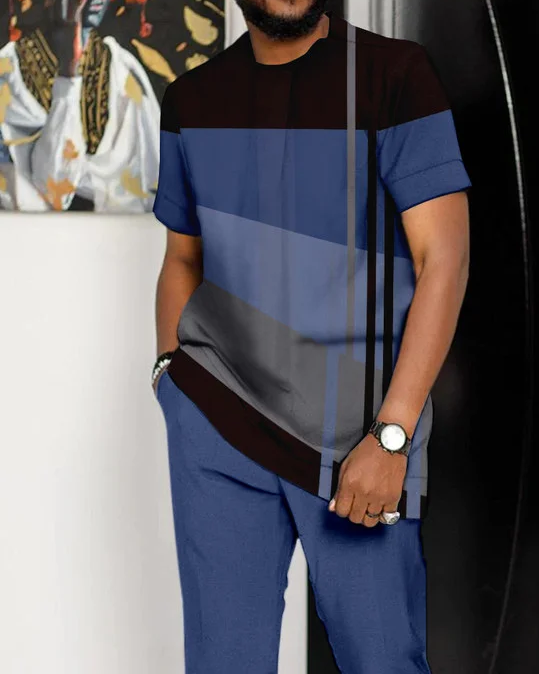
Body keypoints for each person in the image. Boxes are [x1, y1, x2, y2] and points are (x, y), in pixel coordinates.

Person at [152, 1, 471, 672]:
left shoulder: (395, 75)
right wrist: (171, 382)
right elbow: (182, 257)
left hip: (357, 441)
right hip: (219, 428)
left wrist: (392, 436)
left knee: (382, 661)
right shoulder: (191, 99)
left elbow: (443, 261)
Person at [0, 0, 159, 211]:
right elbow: (55, 191)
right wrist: (68, 75)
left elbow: (153, 180)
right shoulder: (8, 71)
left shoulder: (122, 69)